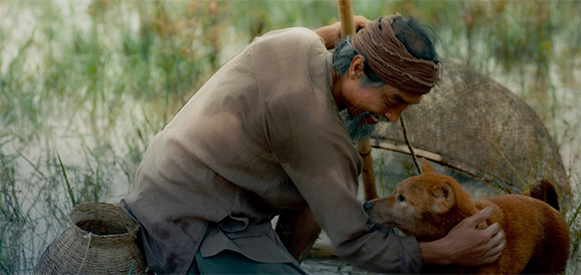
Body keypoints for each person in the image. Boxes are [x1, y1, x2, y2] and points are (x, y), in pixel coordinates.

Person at [121, 14, 505, 274]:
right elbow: (356, 243)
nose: (392, 118)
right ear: (355, 68)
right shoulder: (320, 135)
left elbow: (322, 39)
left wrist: (341, 33)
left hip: (159, 183)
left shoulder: (298, 41)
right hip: (186, 227)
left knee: (315, 204)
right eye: (392, 101)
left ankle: (279, 260)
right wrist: (445, 251)